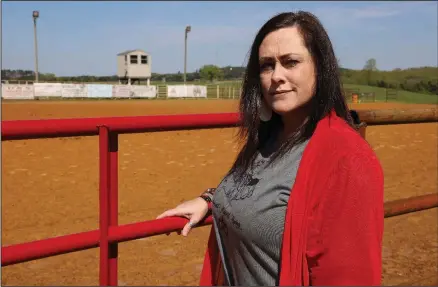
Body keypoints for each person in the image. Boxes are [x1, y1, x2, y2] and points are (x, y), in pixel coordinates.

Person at [157, 11, 384, 286]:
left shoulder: (347, 158)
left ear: (321, 67)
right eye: (266, 65)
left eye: (290, 62)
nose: (276, 75)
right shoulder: (268, 137)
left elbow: (348, 276)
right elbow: (266, 192)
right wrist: (210, 199)